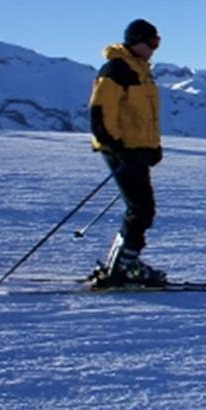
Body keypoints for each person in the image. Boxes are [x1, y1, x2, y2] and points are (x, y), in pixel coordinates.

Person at [88, 18, 166, 286]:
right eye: (152, 42)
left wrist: (151, 148)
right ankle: (123, 267)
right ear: (137, 42)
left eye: (158, 42)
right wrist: (116, 146)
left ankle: (121, 263)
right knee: (141, 209)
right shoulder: (117, 70)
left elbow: (146, 117)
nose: (155, 48)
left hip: (136, 150)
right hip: (121, 150)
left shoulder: (141, 70)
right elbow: (100, 111)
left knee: (142, 208)